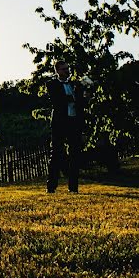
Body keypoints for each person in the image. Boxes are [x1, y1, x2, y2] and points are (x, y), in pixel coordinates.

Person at [46, 60, 87, 193]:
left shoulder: (75, 84)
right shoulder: (52, 84)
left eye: (67, 68)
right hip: (60, 123)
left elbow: (81, 102)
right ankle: (51, 186)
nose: (67, 71)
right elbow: (57, 101)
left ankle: (73, 187)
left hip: (73, 121)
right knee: (56, 153)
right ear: (57, 71)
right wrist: (72, 98)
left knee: (75, 154)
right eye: (64, 69)